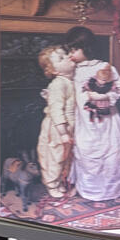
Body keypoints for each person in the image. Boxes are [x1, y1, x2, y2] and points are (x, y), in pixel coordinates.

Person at [71, 60, 120, 206]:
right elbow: (81, 93)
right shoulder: (79, 72)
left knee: (110, 148)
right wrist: (90, 95)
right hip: (87, 116)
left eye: (74, 50)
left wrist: (105, 97)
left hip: (106, 115)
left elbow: (117, 90)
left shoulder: (106, 70)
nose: (71, 55)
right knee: (88, 147)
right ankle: (87, 188)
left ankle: (113, 189)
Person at [34, 44, 80, 199]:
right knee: (55, 156)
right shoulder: (58, 84)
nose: (67, 56)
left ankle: (61, 181)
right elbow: (56, 110)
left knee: (67, 156)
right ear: (55, 71)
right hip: (57, 127)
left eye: (65, 54)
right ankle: (51, 183)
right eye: (61, 58)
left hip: (70, 125)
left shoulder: (71, 80)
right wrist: (63, 133)